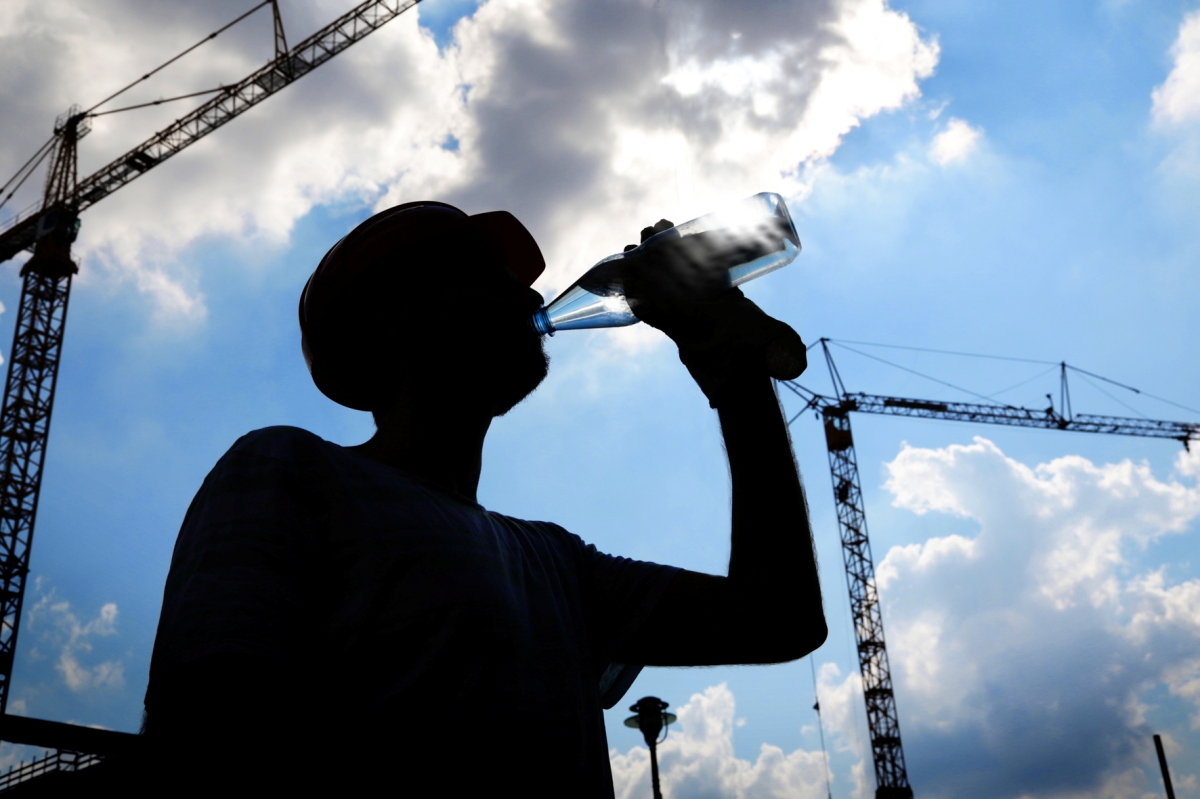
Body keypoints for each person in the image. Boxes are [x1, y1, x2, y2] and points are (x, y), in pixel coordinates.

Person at [142, 201, 827, 795]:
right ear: (390, 323)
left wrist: (732, 368)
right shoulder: (287, 467)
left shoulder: (556, 560)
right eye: (483, 277)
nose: (531, 298)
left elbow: (779, 618)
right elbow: (207, 726)